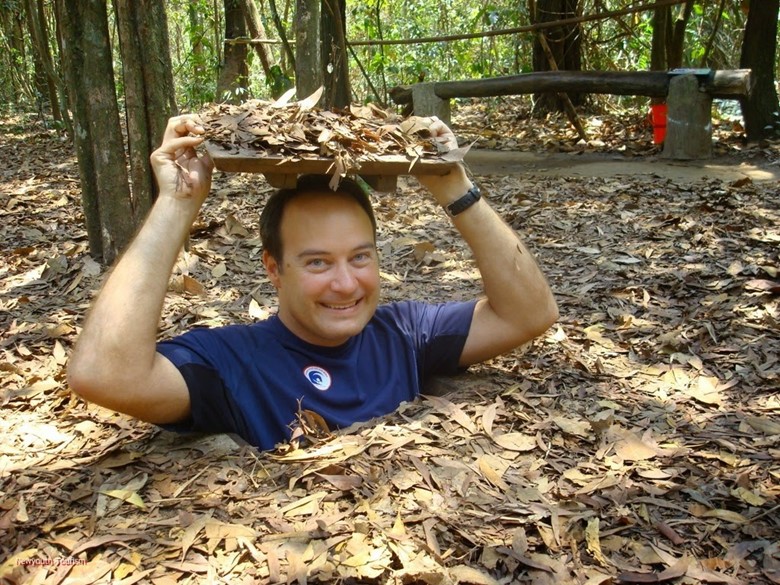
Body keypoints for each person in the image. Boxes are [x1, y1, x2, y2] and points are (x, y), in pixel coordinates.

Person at [67, 115, 558, 451]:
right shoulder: (235, 363)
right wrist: (176, 205)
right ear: (274, 269)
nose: (346, 283)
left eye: (360, 257)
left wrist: (454, 185)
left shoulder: (405, 333)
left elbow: (529, 314)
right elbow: (105, 375)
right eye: (318, 263)